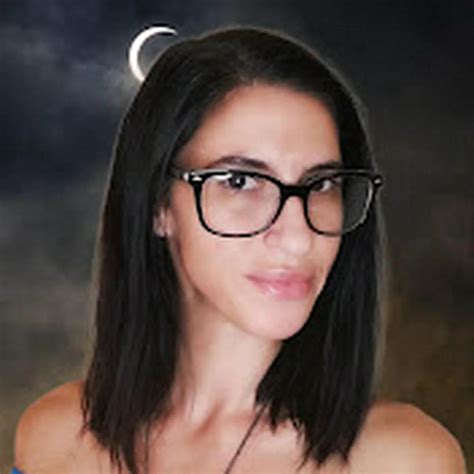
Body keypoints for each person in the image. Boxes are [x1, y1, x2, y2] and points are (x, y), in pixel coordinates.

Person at [13, 25, 466, 474]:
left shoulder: (405, 459)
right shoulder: (55, 437)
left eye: (322, 184)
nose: (298, 237)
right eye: (240, 180)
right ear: (158, 204)